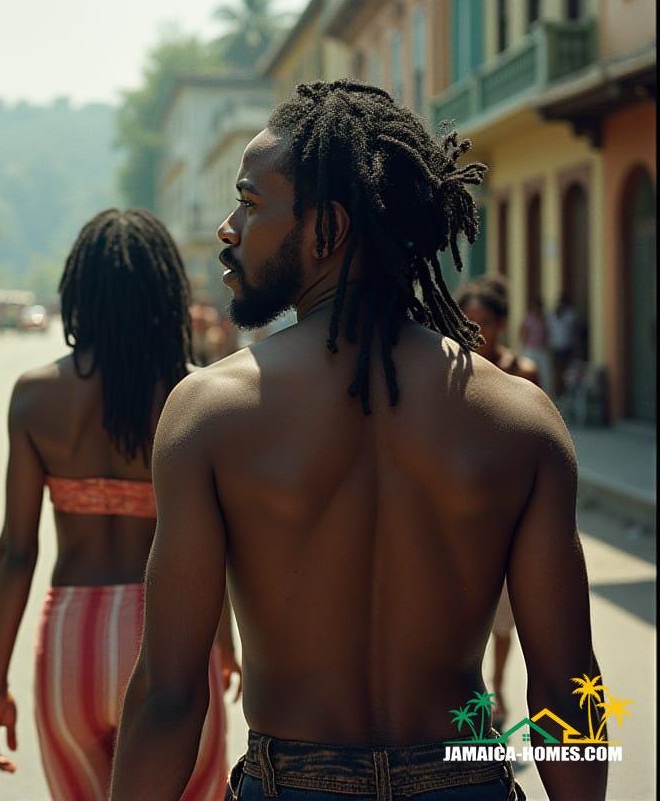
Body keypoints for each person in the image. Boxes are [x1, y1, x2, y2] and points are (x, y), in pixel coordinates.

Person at [112, 80, 604, 801]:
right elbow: (569, 689)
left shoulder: (211, 413)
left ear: (327, 229)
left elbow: (169, 693)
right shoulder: (521, 419)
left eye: (250, 203)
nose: (228, 228)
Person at [0, 209, 236, 801]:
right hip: (172, 641)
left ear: (78, 292)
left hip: (71, 642)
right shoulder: (198, 396)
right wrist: (224, 643)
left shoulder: (35, 396)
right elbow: (215, 544)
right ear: (167, 292)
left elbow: (17, 551)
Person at [458, 276, 540, 732]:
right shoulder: (452, 374)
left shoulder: (523, 374)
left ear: (502, 324)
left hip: (511, 515)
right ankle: (474, 695)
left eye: (485, 323)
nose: (477, 332)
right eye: (467, 324)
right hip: (461, 515)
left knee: (505, 620)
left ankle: (497, 685)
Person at [547, 293, 580, 397]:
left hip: (568, 348)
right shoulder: (551, 316)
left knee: (568, 372)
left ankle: (567, 394)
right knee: (556, 372)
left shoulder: (571, 315)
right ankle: (557, 393)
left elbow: (575, 332)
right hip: (555, 348)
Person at [519, 295, 552, 394]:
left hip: (542, 350)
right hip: (530, 350)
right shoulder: (529, 318)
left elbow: (548, 333)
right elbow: (523, 332)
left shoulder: (545, 319)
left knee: (545, 377)